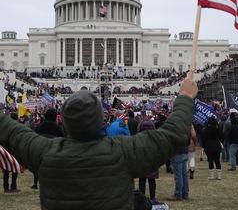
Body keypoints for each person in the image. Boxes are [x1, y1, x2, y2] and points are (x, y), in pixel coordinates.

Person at [0, 73, 197, 210]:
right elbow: (174, 134)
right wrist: (186, 97)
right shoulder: (122, 152)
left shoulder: (45, 153)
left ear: (65, 122)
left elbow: (10, 131)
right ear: (100, 119)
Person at [31, 108, 64, 189]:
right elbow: (63, 138)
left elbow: (34, 136)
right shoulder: (57, 127)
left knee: (38, 166)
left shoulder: (40, 126)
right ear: (55, 116)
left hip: (40, 149)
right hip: (53, 150)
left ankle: (35, 183)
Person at [138, 118, 159, 203]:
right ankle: (152, 198)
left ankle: (142, 198)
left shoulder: (138, 137)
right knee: (151, 180)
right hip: (152, 161)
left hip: (142, 161)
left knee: (142, 180)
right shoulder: (155, 138)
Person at [2, 112, 20, 193]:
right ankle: (13, 187)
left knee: (6, 169)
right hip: (13, 149)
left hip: (6, 149)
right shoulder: (16, 127)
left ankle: (6, 188)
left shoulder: (4, 127)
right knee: (14, 169)